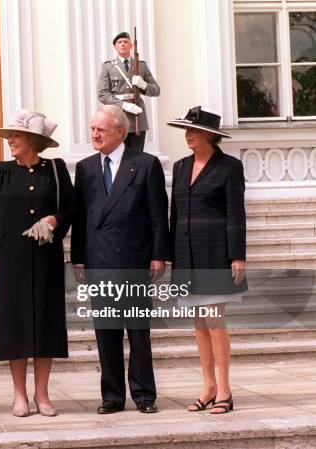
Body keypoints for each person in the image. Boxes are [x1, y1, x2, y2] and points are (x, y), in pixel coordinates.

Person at [70, 105, 169, 414]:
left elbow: (157, 214)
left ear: (121, 133)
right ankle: (112, 396)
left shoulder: (145, 164)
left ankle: (144, 395)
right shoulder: (86, 168)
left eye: (101, 129)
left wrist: (158, 255)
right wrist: (78, 259)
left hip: (134, 259)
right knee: (106, 331)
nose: (94, 135)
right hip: (99, 260)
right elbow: (81, 218)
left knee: (138, 331)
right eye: (92, 129)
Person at [0, 110, 75, 417]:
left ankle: (42, 395)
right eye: (9, 136)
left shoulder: (56, 170)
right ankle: (19, 395)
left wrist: (54, 219)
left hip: (46, 260)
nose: (10, 141)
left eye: (16, 136)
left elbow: (71, 209)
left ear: (33, 140)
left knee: (45, 326)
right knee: (15, 326)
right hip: (10, 260)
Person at [167, 106, 247, 414]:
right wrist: (172, 256)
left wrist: (237, 256)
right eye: (186, 129)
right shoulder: (181, 166)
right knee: (199, 323)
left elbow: (236, 213)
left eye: (194, 130)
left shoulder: (229, 167)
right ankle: (208, 386)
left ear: (211, 136)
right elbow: (176, 213)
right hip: (187, 254)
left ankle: (225, 389)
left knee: (215, 320)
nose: (187, 134)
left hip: (216, 253)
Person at [97, 31, 159, 152]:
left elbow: (156, 90)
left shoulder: (141, 65)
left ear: (131, 46)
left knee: (137, 154)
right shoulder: (108, 66)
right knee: (118, 153)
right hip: (117, 116)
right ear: (115, 46)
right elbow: (103, 94)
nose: (123, 44)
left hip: (137, 115)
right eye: (119, 42)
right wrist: (124, 105)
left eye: (126, 42)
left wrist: (143, 85)